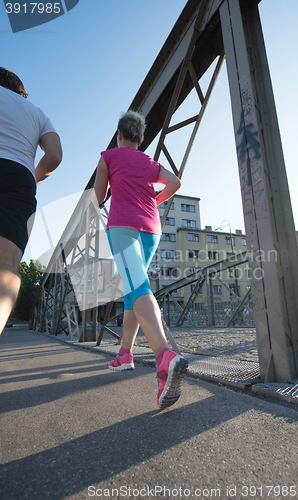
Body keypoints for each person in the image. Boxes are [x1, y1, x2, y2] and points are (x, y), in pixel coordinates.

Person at [92, 110, 188, 409]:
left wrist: (108, 190)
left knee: (137, 284)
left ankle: (163, 356)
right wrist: (155, 200)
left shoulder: (108, 157)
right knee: (133, 287)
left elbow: (97, 197)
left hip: (122, 225)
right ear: (141, 138)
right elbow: (175, 182)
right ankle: (125, 353)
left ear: (119, 135)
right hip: (152, 229)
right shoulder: (149, 162)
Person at [0, 67, 62, 334]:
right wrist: (32, 177)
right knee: (7, 264)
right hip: (19, 179)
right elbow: (55, 155)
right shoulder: (37, 113)